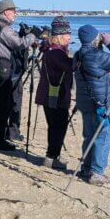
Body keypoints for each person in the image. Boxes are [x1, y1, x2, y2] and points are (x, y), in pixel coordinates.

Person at [73, 24, 110, 185]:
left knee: (89, 135)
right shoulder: (95, 55)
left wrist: (102, 67)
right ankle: (96, 172)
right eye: (98, 37)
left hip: (85, 101)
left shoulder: (78, 54)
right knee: (102, 135)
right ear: (94, 38)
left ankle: (86, 168)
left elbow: (97, 68)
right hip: (100, 102)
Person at [0, 0, 37, 152]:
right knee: (4, 105)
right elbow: (18, 44)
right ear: (5, 12)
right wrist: (33, 36)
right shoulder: (2, 26)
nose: (15, 13)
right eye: (13, 10)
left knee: (3, 104)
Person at [35, 17, 74, 169]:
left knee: (55, 126)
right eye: (67, 35)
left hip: (48, 94)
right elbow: (72, 66)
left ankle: (52, 156)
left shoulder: (50, 49)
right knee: (59, 126)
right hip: (55, 96)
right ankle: (51, 157)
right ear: (59, 36)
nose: (69, 37)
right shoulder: (56, 53)